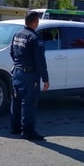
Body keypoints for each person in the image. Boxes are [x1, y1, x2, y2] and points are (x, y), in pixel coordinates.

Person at [10, 11, 49, 141]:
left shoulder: (17, 34)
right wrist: (45, 79)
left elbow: (12, 52)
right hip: (30, 75)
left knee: (16, 101)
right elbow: (40, 60)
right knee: (29, 103)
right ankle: (28, 131)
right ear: (35, 22)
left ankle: (15, 127)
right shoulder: (34, 38)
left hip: (17, 72)